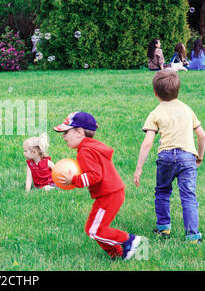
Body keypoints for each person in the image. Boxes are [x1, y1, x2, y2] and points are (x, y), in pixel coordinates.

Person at [53, 111, 146, 260]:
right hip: (113, 193)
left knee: (94, 230)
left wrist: (74, 180)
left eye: (66, 132)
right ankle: (117, 254)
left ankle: (130, 240)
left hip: (108, 195)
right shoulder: (92, 146)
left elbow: (95, 176)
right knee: (94, 228)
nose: (63, 136)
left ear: (79, 132)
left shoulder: (84, 151)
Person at [133, 71, 205, 243]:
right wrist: (199, 156)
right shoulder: (187, 110)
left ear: (155, 92)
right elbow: (202, 135)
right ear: (178, 90)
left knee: (162, 192)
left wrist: (139, 168)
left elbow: (147, 142)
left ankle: (164, 228)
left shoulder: (155, 113)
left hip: (165, 157)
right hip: (188, 157)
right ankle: (193, 236)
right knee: (188, 195)